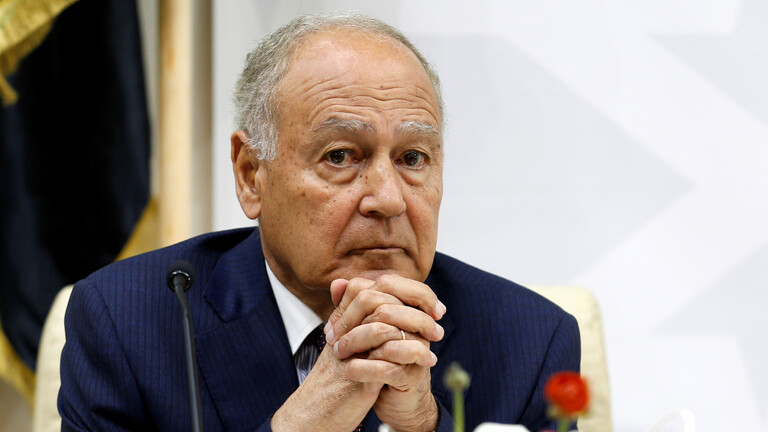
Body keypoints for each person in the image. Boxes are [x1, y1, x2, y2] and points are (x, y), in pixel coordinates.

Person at [58, 13, 580, 432]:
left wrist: (424, 425)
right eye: (340, 156)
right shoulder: (127, 323)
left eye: (413, 158)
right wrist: (303, 422)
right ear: (251, 175)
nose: (388, 199)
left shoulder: (529, 341)